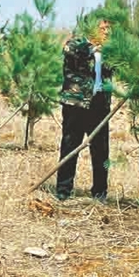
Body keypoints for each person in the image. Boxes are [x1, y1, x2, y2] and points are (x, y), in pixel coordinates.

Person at [55, 19, 113, 202]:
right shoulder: (77, 43)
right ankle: (64, 190)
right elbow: (70, 50)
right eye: (103, 28)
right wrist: (93, 48)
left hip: (99, 105)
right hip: (76, 104)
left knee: (101, 150)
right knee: (70, 145)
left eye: (108, 29)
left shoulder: (109, 51)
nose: (106, 32)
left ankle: (100, 192)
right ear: (93, 29)